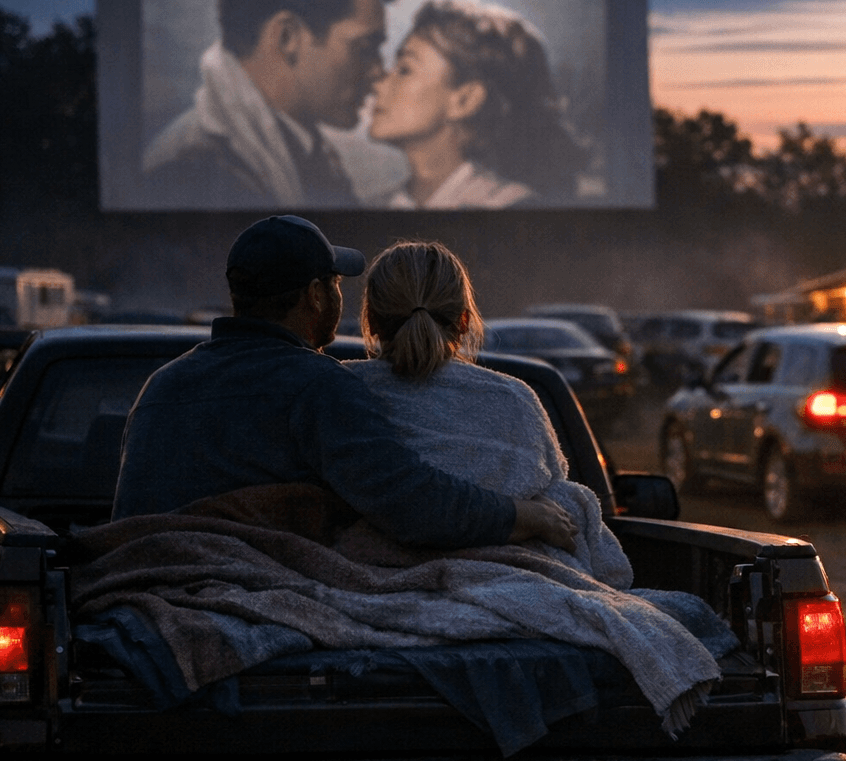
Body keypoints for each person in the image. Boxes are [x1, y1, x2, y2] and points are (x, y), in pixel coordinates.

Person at [112, 215, 576, 553]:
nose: (340, 293)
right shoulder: (318, 385)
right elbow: (410, 503)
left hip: (140, 581)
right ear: (315, 295)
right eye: (335, 281)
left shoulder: (161, 385)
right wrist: (523, 514)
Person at [344, 239, 631, 586]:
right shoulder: (515, 398)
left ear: (371, 320)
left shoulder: (337, 389)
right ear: (464, 321)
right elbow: (559, 501)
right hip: (526, 588)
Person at [142, 0, 400, 209]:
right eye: (365, 48)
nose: (379, 71)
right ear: (288, 37)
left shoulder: (305, 149)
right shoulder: (189, 168)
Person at [368, 0, 589, 208]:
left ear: (465, 100)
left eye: (405, 70)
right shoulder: (377, 205)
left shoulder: (510, 208)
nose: (379, 84)